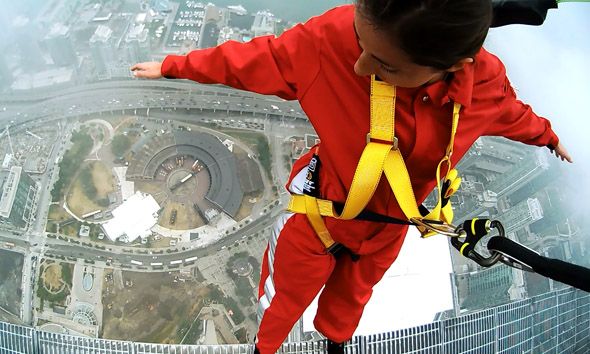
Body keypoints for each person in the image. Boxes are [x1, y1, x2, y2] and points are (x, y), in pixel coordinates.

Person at [132, 0, 572, 353]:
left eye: (384, 64)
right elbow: (259, 58)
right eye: (360, 43)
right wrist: (177, 65)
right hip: (319, 212)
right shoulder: (333, 40)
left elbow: (513, 115)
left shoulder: (482, 89)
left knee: (349, 303)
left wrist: (547, 137)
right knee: (284, 299)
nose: (360, 66)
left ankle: (334, 343)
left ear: (454, 67)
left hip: (386, 230)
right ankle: (263, 348)